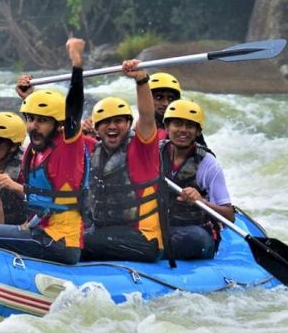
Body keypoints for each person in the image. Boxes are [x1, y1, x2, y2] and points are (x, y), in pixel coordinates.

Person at [0, 38, 89, 265]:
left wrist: (76, 63)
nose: (33, 126)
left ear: (58, 124)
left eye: (42, 121)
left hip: (58, 241)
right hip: (41, 231)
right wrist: (30, 96)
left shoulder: (68, 144)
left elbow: (73, 108)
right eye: (30, 119)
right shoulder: (37, 149)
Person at [82, 60, 164, 263]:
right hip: (108, 235)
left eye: (118, 121)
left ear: (128, 124)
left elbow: (146, 116)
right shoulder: (92, 149)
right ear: (97, 129)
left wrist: (141, 80)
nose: (112, 126)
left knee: (79, 241)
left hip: (143, 240)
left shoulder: (142, 148)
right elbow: (57, 133)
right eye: (106, 123)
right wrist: (29, 97)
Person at [160, 99, 234, 260]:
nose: (183, 130)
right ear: (167, 127)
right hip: (157, 227)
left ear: (198, 131)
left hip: (193, 232)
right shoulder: (153, 154)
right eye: (177, 124)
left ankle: (154, 250)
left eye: (190, 126)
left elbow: (229, 217)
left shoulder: (209, 164)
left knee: (196, 240)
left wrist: (202, 201)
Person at [147, 72, 181, 140]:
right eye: (159, 97)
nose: (166, 103)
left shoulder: (186, 130)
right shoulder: (137, 131)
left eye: (171, 98)